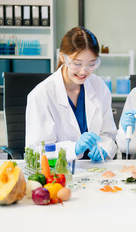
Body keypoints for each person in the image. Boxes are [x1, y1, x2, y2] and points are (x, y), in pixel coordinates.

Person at [26, 27, 117, 162]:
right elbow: (38, 150)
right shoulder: (41, 95)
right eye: (77, 63)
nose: (83, 71)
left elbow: (108, 134)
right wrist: (73, 149)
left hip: (95, 168)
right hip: (59, 171)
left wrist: (105, 148)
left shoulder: (100, 88)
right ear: (63, 57)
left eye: (91, 64)